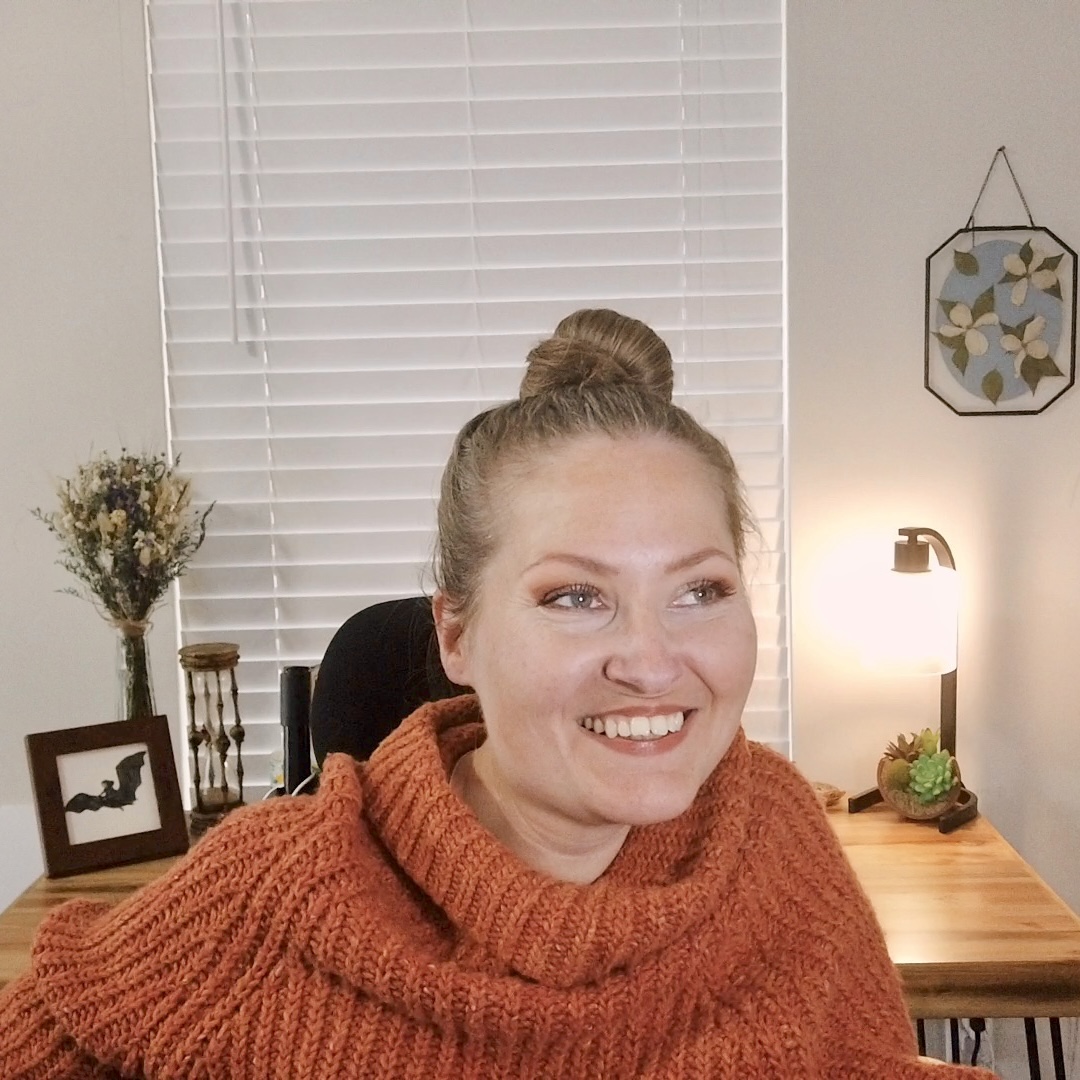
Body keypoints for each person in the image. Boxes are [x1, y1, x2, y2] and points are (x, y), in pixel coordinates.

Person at [0, 311, 992, 1079]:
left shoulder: (773, 831)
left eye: (700, 591)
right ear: (458, 634)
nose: (653, 661)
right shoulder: (269, 895)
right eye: (575, 597)